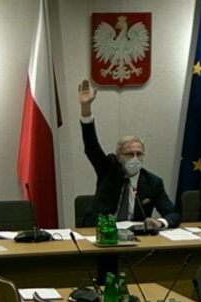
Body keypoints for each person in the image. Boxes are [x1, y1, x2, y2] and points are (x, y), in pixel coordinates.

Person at [77, 79, 180, 229]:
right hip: (102, 231)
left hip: (135, 236)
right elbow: (92, 147)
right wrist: (86, 109)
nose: (135, 158)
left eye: (139, 154)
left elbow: (173, 213)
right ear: (119, 156)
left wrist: (160, 222)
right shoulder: (108, 169)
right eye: (129, 154)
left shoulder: (153, 182)